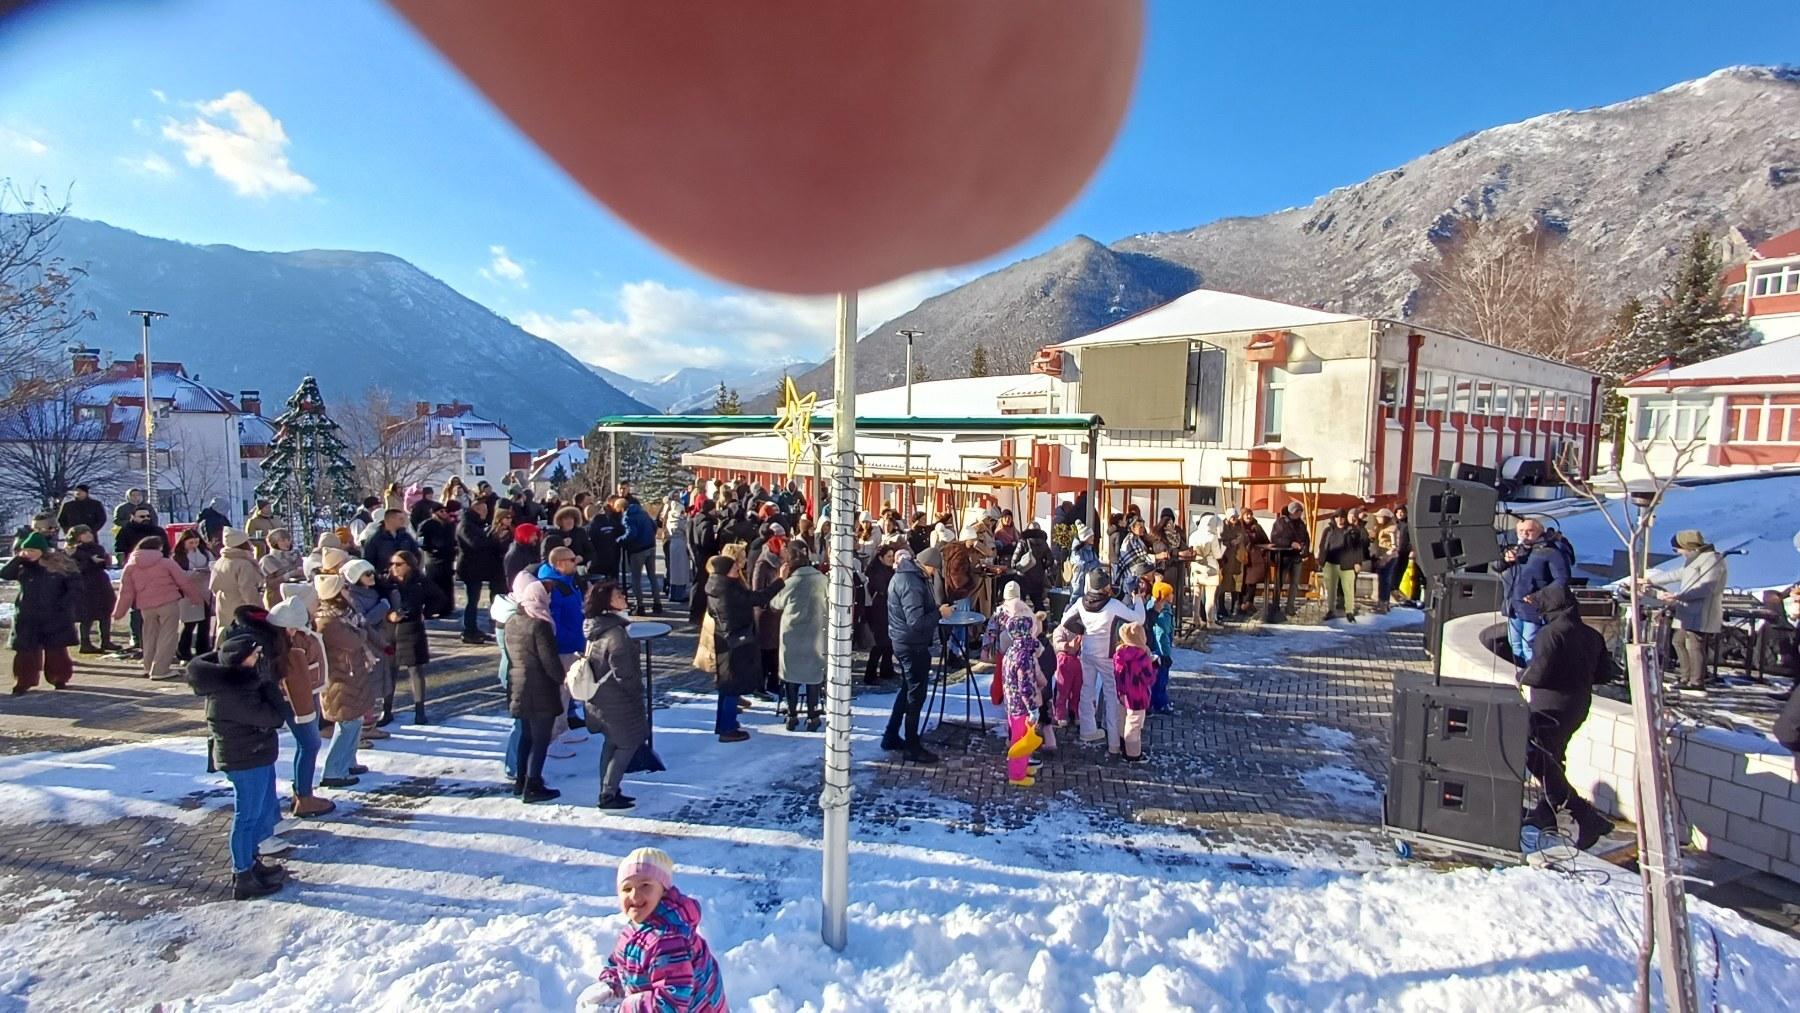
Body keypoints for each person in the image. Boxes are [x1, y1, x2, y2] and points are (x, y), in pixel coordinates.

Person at [187, 635, 292, 900]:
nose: (259, 660)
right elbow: (274, 716)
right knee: (247, 817)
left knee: (255, 814)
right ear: (240, 660)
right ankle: (243, 874)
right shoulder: (232, 692)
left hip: (254, 754)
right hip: (245, 759)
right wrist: (268, 686)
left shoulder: (242, 684)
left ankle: (252, 862)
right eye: (254, 656)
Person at [1519, 584, 1616, 850]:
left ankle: (1585, 816)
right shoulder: (1592, 635)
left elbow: (1538, 675)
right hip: (1577, 707)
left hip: (1549, 707)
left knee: (1537, 757)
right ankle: (1546, 814)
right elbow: (1604, 674)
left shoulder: (1550, 634)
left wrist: (1521, 676)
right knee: (1553, 757)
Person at [585, 848, 729, 1012]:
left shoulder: (668, 940)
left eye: (645, 885)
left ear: (664, 891)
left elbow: (671, 1002)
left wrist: (622, 1009)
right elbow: (618, 963)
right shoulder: (635, 929)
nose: (635, 895)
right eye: (627, 889)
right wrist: (608, 986)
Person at [266, 595, 334, 818]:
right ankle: (304, 797)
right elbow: (298, 683)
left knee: (306, 745)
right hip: (298, 702)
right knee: (310, 744)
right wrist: (305, 714)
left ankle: (301, 792)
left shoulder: (289, 639)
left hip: (300, 698)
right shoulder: (293, 646)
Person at [583, 580, 649, 811]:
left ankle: (608, 789)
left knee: (612, 743)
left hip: (601, 698)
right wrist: (636, 692)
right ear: (608, 603)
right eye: (619, 596)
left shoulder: (597, 627)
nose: (624, 598)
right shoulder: (616, 633)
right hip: (617, 700)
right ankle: (608, 794)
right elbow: (625, 672)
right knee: (627, 743)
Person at [1060, 570, 1145, 743]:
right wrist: (1137, 598)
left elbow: (1065, 621)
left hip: (1087, 651)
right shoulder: (1113, 605)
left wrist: (1082, 630)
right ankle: (1113, 740)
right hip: (1107, 654)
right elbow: (1139, 619)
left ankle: (1087, 730)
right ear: (1105, 587)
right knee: (1111, 695)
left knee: (1086, 690)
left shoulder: (1081, 602)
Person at [705, 554, 782, 743]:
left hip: (724, 640)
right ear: (725, 571)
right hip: (737, 641)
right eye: (733, 568)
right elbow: (758, 598)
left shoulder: (714, 586)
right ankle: (728, 729)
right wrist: (780, 580)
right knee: (732, 685)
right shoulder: (729, 589)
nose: (737, 569)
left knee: (726, 685)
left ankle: (724, 723)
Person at [880, 548, 943, 763]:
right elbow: (915, 621)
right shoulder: (911, 582)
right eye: (934, 569)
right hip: (911, 644)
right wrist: (939, 613)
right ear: (927, 565)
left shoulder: (908, 576)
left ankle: (891, 735)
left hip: (905, 641)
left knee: (908, 689)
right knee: (916, 695)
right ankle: (912, 746)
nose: (934, 574)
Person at [1645, 529, 1728, 693]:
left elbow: (1707, 588)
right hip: (1687, 610)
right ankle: (1685, 676)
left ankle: (1696, 681)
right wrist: (1650, 580)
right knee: (1678, 641)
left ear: (1687, 546)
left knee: (1694, 644)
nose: (1678, 552)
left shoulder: (1712, 560)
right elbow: (1677, 574)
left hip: (1701, 611)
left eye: (1678, 549)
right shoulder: (1695, 559)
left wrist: (1679, 596)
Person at [506, 579, 566, 802]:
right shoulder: (540, 625)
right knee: (541, 739)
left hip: (518, 685)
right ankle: (533, 784)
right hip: (540, 687)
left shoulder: (512, 621)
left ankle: (520, 780)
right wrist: (562, 678)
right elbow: (549, 660)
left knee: (526, 735)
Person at [113, 535, 205, 680]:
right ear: (158, 547)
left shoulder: (130, 566)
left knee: (149, 636)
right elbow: (183, 581)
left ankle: (148, 666)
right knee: (168, 636)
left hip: (145, 606)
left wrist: (119, 612)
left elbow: (125, 592)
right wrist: (196, 598)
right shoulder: (165, 563)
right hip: (168, 602)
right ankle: (160, 670)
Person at [316, 572, 377, 790]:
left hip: (351, 678)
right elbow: (354, 640)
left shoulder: (342, 616)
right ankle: (334, 771)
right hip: (340, 681)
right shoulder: (329, 621)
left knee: (354, 723)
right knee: (347, 725)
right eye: (344, 588)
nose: (349, 591)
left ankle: (348, 762)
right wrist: (360, 632)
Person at [3, 533, 79, 693]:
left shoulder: (59, 565)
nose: (28, 553)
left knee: (56, 651)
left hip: (55, 615)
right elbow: (4, 574)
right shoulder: (23, 566)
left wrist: (64, 605)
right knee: (26, 652)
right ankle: (24, 681)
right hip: (27, 615)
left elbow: (75, 587)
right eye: (25, 550)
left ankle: (59, 678)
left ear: (41, 550)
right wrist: (18, 559)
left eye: (32, 550)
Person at [1494, 518, 1572, 664]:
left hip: (1534, 607)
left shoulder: (1551, 552)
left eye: (1530, 531)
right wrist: (1504, 560)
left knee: (1529, 645)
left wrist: (1538, 597)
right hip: (1513, 605)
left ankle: (1533, 674)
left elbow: (1562, 579)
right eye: (1521, 531)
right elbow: (1496, 567)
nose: (1525, 534)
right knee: (1515, 644)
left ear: (1540, 531)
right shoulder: (1516, 549)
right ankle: (1521, 673)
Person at [770, 542, 827, 732]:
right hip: (816, 632)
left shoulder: (790, 582)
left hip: (792, 633)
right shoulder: (822, 580)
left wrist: (780, 578)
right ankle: (812, 716)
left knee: (791, 675)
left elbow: (775, 603)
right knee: (813, 676)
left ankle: (792, 715)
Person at [388, 550, 444, 725]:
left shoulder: (420, 581)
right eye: (392, 564)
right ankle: (386, 711)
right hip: (390, 630)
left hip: (412, 629)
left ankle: (420, 712)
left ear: (409, 565)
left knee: (415, 671)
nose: (394, 568)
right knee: (390, 673)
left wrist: (425, 612)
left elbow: (439, 598)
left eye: (398, 564)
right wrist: (388, 614)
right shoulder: (388, 582)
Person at [1000, 611, 1046, 788]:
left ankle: (1023, 766)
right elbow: (1025, 686)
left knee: (1023, 737)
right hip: (1021, 707)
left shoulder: (1012, 651)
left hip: (1012, 704)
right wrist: (1032, 708)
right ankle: (1017, 775)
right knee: (1020, 741)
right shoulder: (1024, 656)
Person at [457, 498, 507, 644]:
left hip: (477, 568)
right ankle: (469, 630)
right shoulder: (466, 525)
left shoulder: (477, 524)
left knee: (475, 599)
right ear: (476, 509)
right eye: (483, 510)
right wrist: (493, 539)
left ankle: (473, 629)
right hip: (469, 568)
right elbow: (475, 544)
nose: (486, 513)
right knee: (472, 601)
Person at [65, 526, 120, 654]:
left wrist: (98, 561)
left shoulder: (97, 547)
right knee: (86, 615)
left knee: (105, 612)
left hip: (100, 582)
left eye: (89, 532)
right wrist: (90, 559)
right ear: (77, 536)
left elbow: (103, 563)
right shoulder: (72, 550)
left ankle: (106, 640)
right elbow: (76, 567)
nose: (88, 535)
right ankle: (85, 643)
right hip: (84, 584)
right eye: (84, 533)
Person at [211, 529, 265, 648]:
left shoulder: (220, 561)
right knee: (240, 636)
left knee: (224, 632)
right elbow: (247, 589)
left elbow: (213, 586)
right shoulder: (244, 564)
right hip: (240, 605)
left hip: (223, 602)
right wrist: (257, 608)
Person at [1111, 621, 1156, 762]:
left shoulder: (1119, 653)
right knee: (1134, 724)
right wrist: (1154, 665)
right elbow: (1148, 678)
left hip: (1123, 693)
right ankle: (1133, 753)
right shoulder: (1141, 656)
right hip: (1137, 695)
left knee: (1123, 718)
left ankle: (1122, 743)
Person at [1315, 509, 1368, 622]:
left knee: (1348, 589)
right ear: (1334, 518)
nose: (1339, 520)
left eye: (1342, 517)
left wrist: (1358, 562)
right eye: (1337, 517)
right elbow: (1322, 546)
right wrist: (1321, 560)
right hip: (1330, 563)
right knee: (1331, 589)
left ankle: (1349, 611)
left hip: (1347, 564)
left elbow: (1358, 548)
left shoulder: (1352, 531)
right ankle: (1331, 610)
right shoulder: (1328, 530)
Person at [173, 529, 217, 662]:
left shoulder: (205, 552)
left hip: (205, 591)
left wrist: (208, 569)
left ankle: (203, 651)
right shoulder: (178, 556)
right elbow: (176, 574)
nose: (194, 545)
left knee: (205, 624)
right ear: (183, 542)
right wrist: (192, 573)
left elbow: (213, 565)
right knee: (189, 624)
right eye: (191, 543)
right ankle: (183, 652)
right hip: (187, 593)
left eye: (196, 542)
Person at [862, 543, 897, 683]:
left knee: (889, 642)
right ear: (881, 558)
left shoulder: (889, 570)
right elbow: (881, 590)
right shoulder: (875, 572)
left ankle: (887, 670)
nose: (891, 559)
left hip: (887, 609)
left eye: (892, 556)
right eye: (888, 556)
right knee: (879, 643)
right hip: (878, 611)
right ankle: (870, 674)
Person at [1268, 502, 1310, 615]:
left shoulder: (1301, 524)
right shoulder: (1280, 523)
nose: (1300, 514)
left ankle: (1290, 607)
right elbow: (1275, 539)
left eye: (1301, 512)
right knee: (1279, 582)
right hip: (1284, 557)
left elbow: (1306, 539)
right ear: (1292, 512)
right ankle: (1275, 605)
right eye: (1298, 512)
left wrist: (1305, 551)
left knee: (1295, 583)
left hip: (1297, 557)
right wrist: (1290, 543)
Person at [621, 498, 661, 615]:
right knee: (652, 576)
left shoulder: (628, 516)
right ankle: (657, 604)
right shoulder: (644, 513)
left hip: (638, 549)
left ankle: (640, 606)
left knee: (636, 578)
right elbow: (654, 526)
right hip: (651, 547)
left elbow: (631, 533)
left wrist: (620, 540)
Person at [1188, 513, 1224, 628]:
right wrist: (1223, 548)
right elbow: (1218, 555)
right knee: (1210, 597)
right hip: (1210, 568)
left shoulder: (1193, 535)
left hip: (1196, 566)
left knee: (1196, 595)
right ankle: (1210, 621)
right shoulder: (1212, 537)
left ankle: (1195, 619)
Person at [1146, 580, 1176, 714]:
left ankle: (1153, 701)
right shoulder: (1163, 614)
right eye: (1170, 593)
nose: (1173, 596)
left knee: (1155, 678)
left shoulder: (1154, 607)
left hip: (1155, 648)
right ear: (1164, 597)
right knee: (1160, 679)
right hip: (1160, 650)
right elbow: (1161, 635)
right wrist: (1165, 654)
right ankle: (1160, 703)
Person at [362, 509, 420, 575]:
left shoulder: (406, 536)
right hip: (384, 577)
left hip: (407, 576)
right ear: (390, 520)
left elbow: (416, 554)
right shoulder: (375, 539)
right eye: (400, 519)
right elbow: (368, 561)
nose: (403, 521)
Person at [258, 529, 305, 607]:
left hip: (296, 598)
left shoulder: (295, 556)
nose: (287, 543)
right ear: (274, 542)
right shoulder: (268, 560)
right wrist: (288, 575)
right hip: (277, 599)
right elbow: (268, 584)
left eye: (288, 540)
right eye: (282, 540)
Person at [663, 496, 691, 604]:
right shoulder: (679, 520)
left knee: (674, 571)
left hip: (673, 544)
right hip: (680, 544)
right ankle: (679, 594)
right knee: (681, 571)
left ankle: (673, 593)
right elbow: (687, 529)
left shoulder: (670, 518)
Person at [505, 522, 543, 588]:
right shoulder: (514, 555)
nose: (536, 537)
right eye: (533, 535)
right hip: (523, 588)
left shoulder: (531, 548)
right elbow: (512, 578)